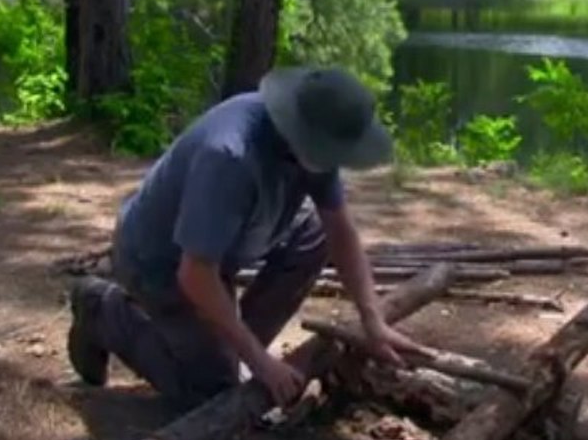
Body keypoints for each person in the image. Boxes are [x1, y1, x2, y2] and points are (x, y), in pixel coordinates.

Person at [66, 65, 425, 411]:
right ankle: (102, 311)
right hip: (158, 260)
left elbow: (340, 230)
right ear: (300, 131)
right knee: (209, 392)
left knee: (313, 234)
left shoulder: (313, 142)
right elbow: (195, 273)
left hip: (221, 248)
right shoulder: (229, 156)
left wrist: (372, 319)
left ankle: (228, 351)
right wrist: (261, 361)